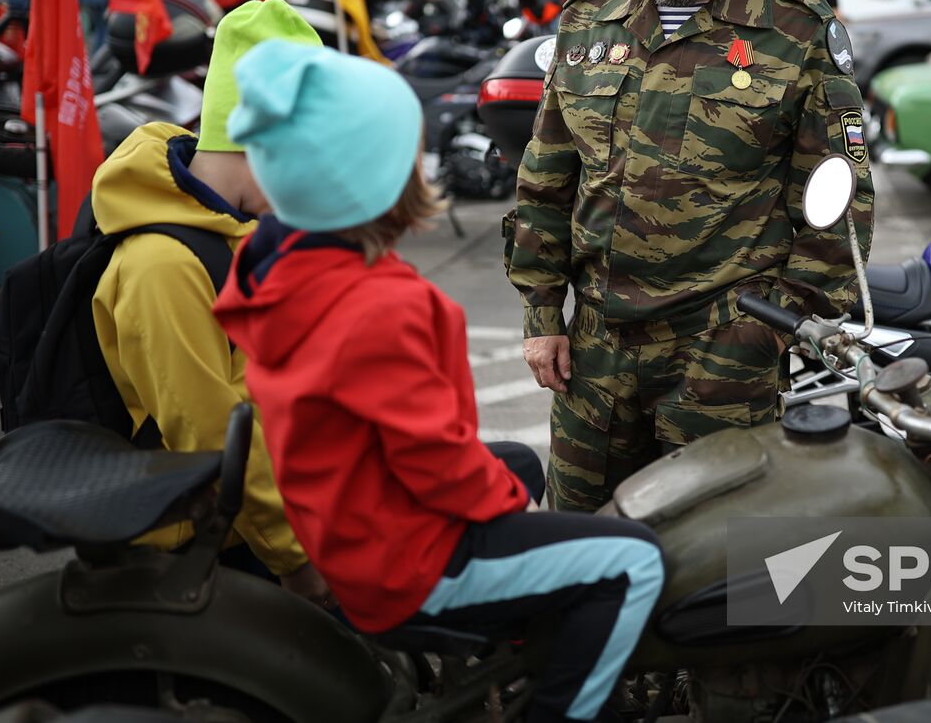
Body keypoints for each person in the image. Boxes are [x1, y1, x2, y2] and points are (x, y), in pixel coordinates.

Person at [213, 41, 664, 723]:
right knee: (635, 561)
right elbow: (435, 461)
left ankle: (510, 652)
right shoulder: (377, 309)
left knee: (513, 460)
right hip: (410, 569)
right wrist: (510, 506)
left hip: (350, 530)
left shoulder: (275, 271)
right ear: (377, 175)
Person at [508, 0, 874, 512]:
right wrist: (541, 312)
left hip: (720, 355)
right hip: (593, 352)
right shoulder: (589, 17)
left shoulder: (796, 28)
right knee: (581, 551)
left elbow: (841, 198)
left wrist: (771, 331)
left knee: (714, 562)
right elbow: (547, 176)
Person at [90, 0, 331, 604]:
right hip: (213, 537)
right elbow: (209, 434)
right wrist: (297, 561)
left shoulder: (235, 231)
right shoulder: (161, 264)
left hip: (276, 499)